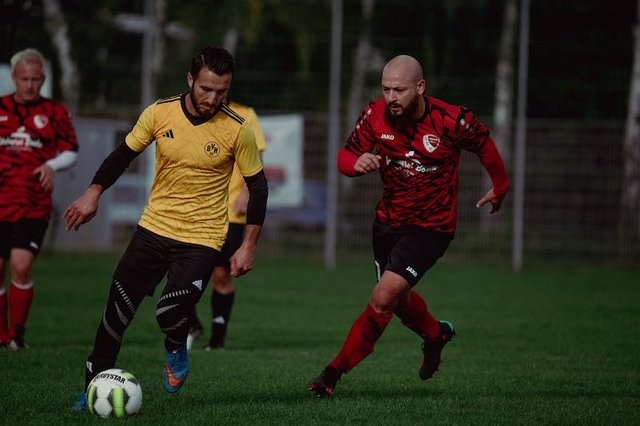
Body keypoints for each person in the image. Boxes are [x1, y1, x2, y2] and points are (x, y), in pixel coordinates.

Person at [63, 47, 268, 407]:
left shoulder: (239, 130)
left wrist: (248, 244)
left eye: (222, 91)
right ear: (190, 79)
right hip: (153, 229)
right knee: (115, 314)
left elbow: (258, 187)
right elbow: (122, 155)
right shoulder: (160, 113)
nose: (213, 98)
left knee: (170, 312)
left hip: (202, 238)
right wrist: (92, 193)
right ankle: (91, 391)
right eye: (206, 88)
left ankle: (176, 345)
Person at [309, 54, 510, 398]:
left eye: (399, 90)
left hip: (431, 228)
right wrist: (355, 164)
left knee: (383, 296)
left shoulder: (451, 120)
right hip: (387, 223)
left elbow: (485, 147)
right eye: (386, 89)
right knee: (397, 300)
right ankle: (435, 334)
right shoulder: (374, 115)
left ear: (419, 87)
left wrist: (500, 186)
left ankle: (332, 373)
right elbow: (345, 157)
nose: (391, 97)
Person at [0, 48, 79, 351]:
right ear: (14, 78)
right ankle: (2, 335)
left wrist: (51, 165)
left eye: (36, 79)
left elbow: (71, 150)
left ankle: (18, 336)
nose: (30, 85)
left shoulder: (55, 113)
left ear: (43, 79)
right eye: (24, 79)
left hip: (32, 203)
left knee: (20, 266)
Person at [186, 100, 267, 351]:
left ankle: (217, 340)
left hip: (230, 210)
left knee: (221, 274)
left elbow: (257, 155)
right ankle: (192, 324)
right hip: (195, 209)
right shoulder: (191, 112)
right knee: (181, 271)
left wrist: (246, 191)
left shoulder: (244, 113)